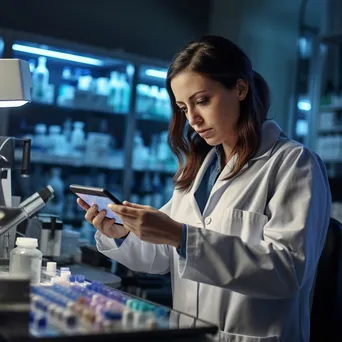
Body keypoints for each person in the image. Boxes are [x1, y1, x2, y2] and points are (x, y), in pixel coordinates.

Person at [77, 35, 331, 341]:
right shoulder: (199, 169)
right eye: (184, 108)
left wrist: (180, 235)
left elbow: (287, 271)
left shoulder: (293, 164)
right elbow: (162, 258)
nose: (193, 119)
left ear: (240, 89)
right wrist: (122, 234)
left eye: (202, 101)